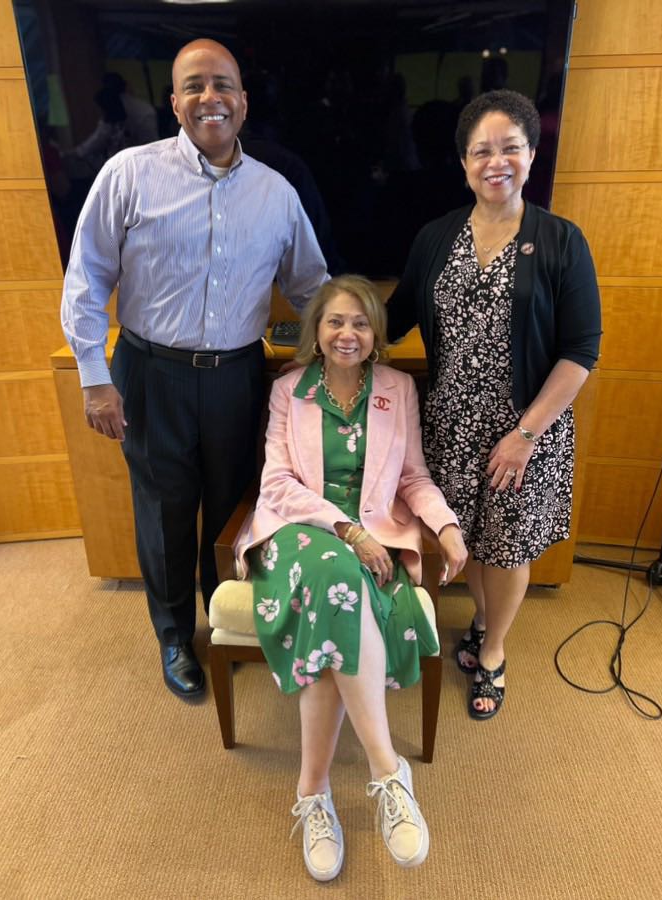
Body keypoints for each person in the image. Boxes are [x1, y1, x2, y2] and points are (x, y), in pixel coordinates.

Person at [61, 39, 328, 699]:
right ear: (174, 101)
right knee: (164, 511)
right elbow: (87, 279)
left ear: (243, 99)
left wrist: (350, 348)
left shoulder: (276, 190)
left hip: (239, 376)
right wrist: (94, 377)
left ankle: (228, 620)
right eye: (195, 85)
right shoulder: (129, 173)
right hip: (151, 374)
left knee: (234, 510)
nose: (211, 97)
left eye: (223, 85)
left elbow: (310, 287)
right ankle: (175, 636)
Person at [234, 275, 468, 881]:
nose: (348, 333)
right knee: (338, 571)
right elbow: (278, 483)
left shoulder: (396, 389)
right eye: (336, 321)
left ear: (375, 335)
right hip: (298, 530)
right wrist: (347, 530)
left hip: (376, 540)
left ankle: (313, 793)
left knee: (333, 619)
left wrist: (444, 526)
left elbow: (413, 477)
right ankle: (388, 772)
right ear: (316, 329)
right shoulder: (291, 390)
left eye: (361, 323)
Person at [386, 90, 601, 720]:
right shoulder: (436, 237)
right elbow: (395, 317)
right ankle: (481, 621)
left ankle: (496, 650)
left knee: (507, 548)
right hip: (450, 423)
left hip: (525, 432)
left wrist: (526, 434)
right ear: (463, 162)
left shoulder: (562, 241)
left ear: (531, 157)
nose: (496, 161)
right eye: (482, 150)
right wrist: (332, 332)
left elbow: (580, 351)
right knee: (469, 541)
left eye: (510, 148)